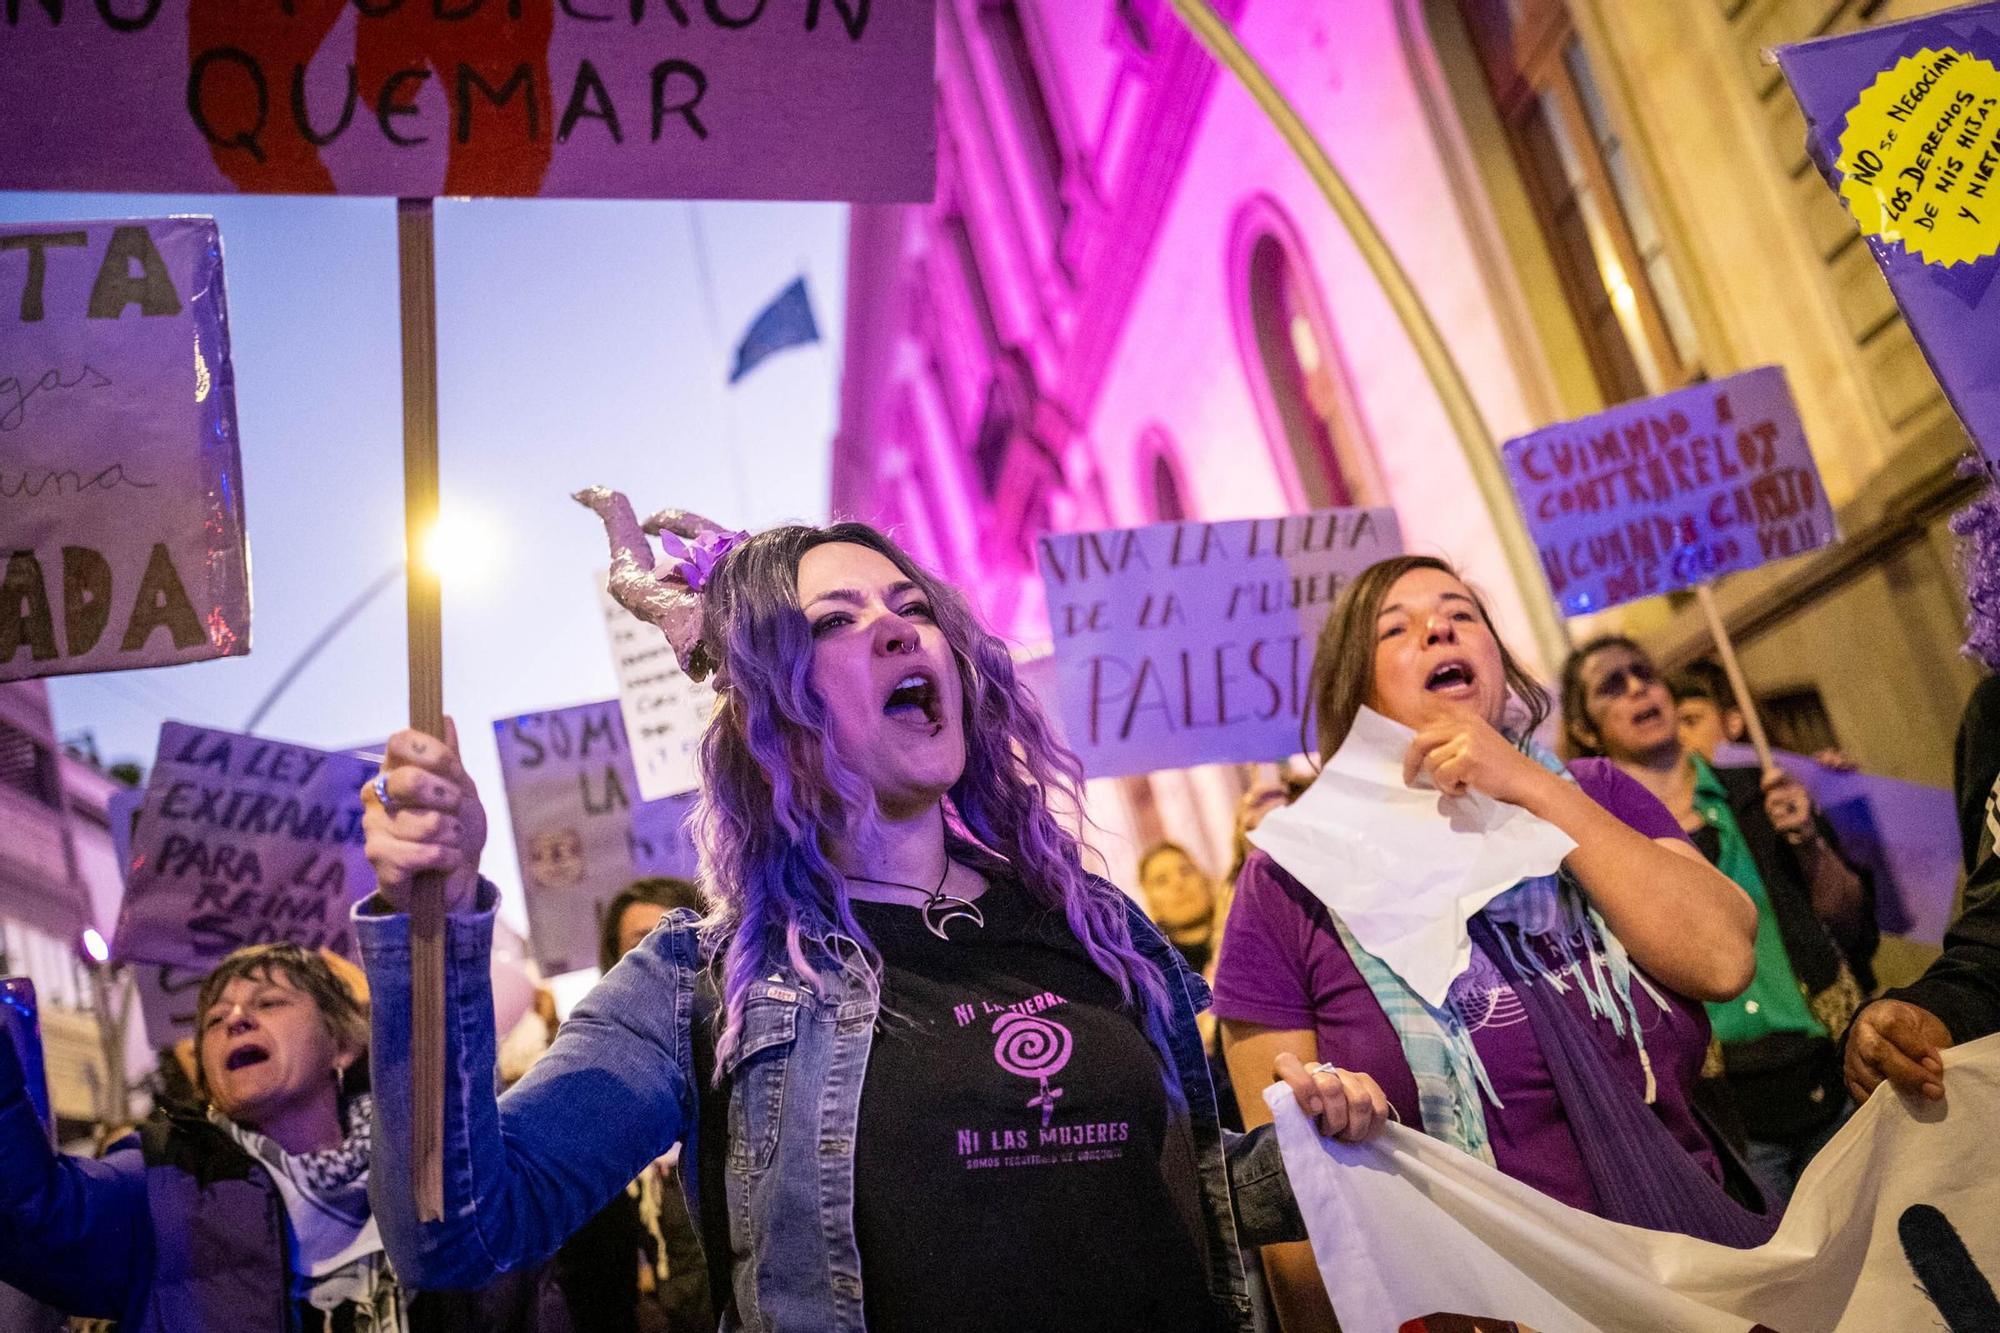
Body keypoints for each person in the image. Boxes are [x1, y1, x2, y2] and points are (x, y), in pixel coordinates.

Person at [356, 510, 1359, 1333]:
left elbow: (1174, 1184)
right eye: (834, 621)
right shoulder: (702, 981)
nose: (896, 628)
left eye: (911, 607)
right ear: (765, 711)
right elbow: (459, 1231)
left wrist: (1329, 1141)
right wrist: (428, 922)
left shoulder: (1092, 923)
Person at [0, 942, 559, 1332]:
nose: (236, 1020)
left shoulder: (432, 1162)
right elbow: (32, 1214)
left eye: (269, 1004)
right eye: (215, 1020)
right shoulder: (162, 1175)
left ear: (342, 1046)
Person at [1562, 635, 1876, 1198]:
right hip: (1727, 1118)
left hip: (1834, 1075)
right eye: (1613, 684)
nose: (1638, 687)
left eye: (1644, 672)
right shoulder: (1599, 848)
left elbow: (1852, 923)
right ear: (1587, 730)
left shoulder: (1763, 792)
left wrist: (1808, 844)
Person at [556, 879, 715, 1333]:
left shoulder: (752, 1073)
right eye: (640, 944)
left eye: (676, 939)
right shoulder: (597, 1090)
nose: (658, 960)